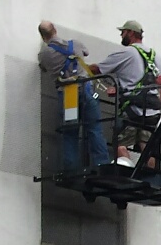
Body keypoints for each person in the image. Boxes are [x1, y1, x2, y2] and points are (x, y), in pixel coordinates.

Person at [36, 21, 109, 171]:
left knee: (70, 133)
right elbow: (86, 53)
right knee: (94, 129)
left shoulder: (44, 55)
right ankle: (102, 164)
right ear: (55, 30)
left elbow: (43, 67)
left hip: (68, 95)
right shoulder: (75, 44)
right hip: (86, 88)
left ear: (43, 37)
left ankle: (70, 169)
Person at [96, 19, 161, 163]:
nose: (121, 35)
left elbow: (98, 69)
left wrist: (83, 67)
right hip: (152, 111)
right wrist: (158, 106)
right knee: (147, 149)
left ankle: (125, 172)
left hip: (132, 110)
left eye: (123, 32)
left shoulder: (127, 53)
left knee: (120, 145)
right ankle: (149, 177)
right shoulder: (156, 57)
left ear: (131, 33)